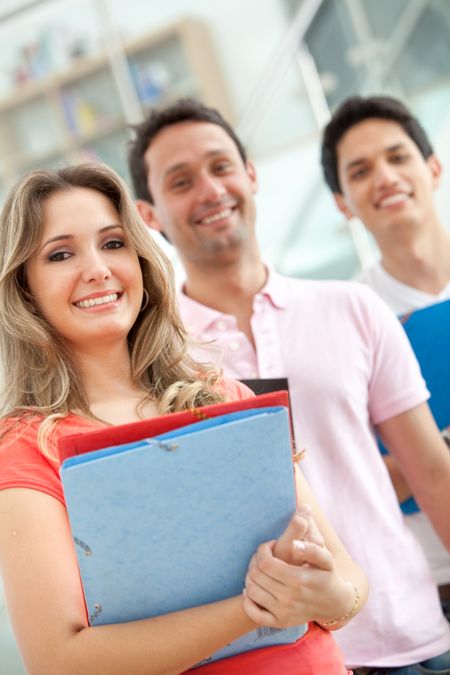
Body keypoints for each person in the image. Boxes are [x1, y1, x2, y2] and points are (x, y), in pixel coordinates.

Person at [0, 162, 368, 675]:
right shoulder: (25, 448)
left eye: (112, 244)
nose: (98, 269)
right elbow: (59, 661)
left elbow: (349, 583)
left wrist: (325, 592)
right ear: (24, 290)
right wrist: (251, 609)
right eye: (61, 254)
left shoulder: (221, 393)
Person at [127, 98, 450, 674]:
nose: (209, 189)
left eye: (221, 167)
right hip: (275, 659)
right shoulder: (151, 356)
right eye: (181, 181)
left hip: (409, 637)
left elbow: (432, 471)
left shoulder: (354, 307)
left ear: (250, 175)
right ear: (148, 214)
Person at [321, 94, 450, 621]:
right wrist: (435, 451)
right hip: (434, 587)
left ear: (433, 168)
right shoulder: (345, 324)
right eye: (361, 169)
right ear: (343, 202)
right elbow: (351, 487)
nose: (385, 177)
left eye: (398, 157)